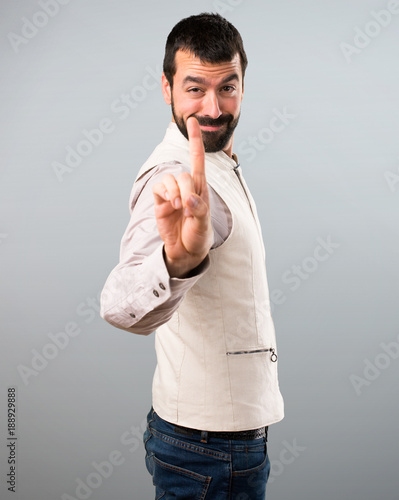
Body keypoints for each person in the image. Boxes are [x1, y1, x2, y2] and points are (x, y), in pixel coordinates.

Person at [100, 12, 284, 499]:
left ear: (244, 84)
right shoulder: (173, 174)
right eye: (195, 88)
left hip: (221, 444)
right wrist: (177, 262)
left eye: (228, 87)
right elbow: (118, 303)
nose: (213, 107)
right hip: (207, 450)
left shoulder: (217, 162)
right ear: (167, 88)